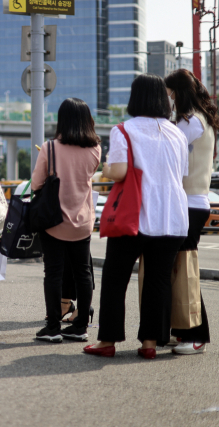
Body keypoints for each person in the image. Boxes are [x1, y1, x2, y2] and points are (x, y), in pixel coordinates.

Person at [85, 74, 189, 359]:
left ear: (135, 97)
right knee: (158, 281)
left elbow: (117, 171)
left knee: (116, 278)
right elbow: (181, 175)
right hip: (173, 218)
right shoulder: (177, 133)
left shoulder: (125, 129)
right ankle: (150, 344)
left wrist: (106, 166)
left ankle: (107, 341)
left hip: (136, 217)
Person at [30, 98, 101, 343]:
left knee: (53, 273)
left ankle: (52, 327)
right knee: (83, 273)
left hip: (54, 221)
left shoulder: (49, 148)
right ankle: (81, 326)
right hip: (82, 222)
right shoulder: (95, 149)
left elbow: (36, 184)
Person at [165, 68, 218, 355]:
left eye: (171, 94)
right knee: (181, 270)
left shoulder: (192, 123)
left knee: (186, 271)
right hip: (191, 202)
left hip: (190, 204)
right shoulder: (200, 119)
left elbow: (169, 150)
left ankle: (197, 335)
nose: (169, 100)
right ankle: (185, 329)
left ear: (179, 93)